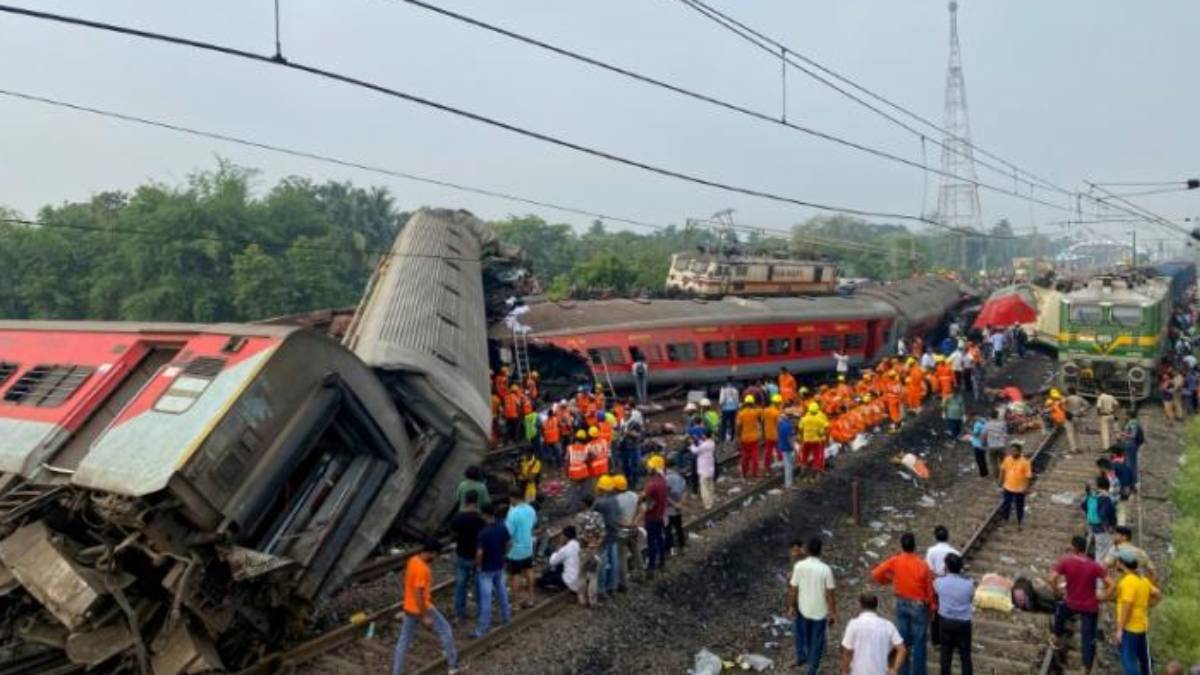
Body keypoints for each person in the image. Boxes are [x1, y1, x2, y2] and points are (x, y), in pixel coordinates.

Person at [391, 539, 463, 675]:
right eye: (436, 555)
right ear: (432, 553)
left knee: (404, 641)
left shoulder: (412, 560)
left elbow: (410, 586)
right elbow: (418, 592)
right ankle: (453, 666)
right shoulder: (423, 569)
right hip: (423, 607)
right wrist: (424, 616)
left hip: (408, 607)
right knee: (446, 630)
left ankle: (396, 672)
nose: (436, 558)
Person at [871, 532, 935, 675]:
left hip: (901, 603)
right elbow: (929, 591)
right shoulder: (922, 565)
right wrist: (931, 608)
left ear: (902, 546)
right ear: (914, 546)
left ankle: (903, 671)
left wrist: (887, 581)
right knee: (919, 643)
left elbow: (876, 574)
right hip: (918, 606)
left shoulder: (896, 560)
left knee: (902, 642)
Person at [1049, 535, 1110, 675]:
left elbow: (1051, 578)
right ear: (1084, 548)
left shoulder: (1066, 562)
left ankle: (1056, 637)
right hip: (1090, 606)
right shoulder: (1094, 565)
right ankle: (1086, 668)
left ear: (1074, 547)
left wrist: (1057, 591)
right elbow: (1111, 584)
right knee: (1088, 637)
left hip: (1071, 602)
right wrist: (1104, 596)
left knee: (1060, 612)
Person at [787, 536, 837, 675]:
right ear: (821, 551)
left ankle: (805, 659)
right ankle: (812, 669)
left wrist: (791, 606)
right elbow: (830, 594)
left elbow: (793, 589)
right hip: (820, 612)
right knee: (817, 641)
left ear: (807, 550)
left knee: (805, 636)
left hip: (803, 609)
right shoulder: (826, 569)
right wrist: (832, 613)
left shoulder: (799, 566)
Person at [1106, 553, 1161, 675]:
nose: (1116, 564)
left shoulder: (1127, 582)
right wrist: (1147, 605)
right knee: (1144, 658)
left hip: (1130, 628)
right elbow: (1158, 593)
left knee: (1128, 660)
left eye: (1118, 562)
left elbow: (1127, 606)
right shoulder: (1143, 580)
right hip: (1142, 625)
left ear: (1122, 564)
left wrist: (1120, 629)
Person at [840, 594, 906, 675]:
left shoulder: (853, 624)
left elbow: (847, 651)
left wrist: (844, 671)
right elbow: (902, 650)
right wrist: (894, 669)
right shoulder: (888, 625)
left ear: (860, 605)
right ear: (876, 606)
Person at [473, 503, 512, 638]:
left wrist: (478, 565)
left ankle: (482, 628)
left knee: (486, 599)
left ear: (484, 515)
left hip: (486, 569)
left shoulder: (483, 533)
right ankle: (507, 618)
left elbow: (479, 553)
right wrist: (503, 555)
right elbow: (509, 543)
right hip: (499, 566)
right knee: (502, 593)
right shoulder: (502, 528)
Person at [449, 491, 486, 623]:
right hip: (477, 556)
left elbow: (452, 532)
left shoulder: (458, 517)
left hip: (462, 555)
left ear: (465, 501)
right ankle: (481, 613)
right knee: (479, 586)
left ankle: (460, 614)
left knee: (460, 585)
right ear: (477, 502)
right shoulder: (481, 519)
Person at [934, 554, 974, 675]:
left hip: (945, 622)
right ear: (961, 567)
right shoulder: (969, 584)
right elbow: (971, 598)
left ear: (946, 566)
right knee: (965, 655)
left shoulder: (939, 582)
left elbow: (936, 591)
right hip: (963, 623)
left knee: (946, 655)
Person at [505, 488, 538, 609]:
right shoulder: (531, 509)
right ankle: (531, 599)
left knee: (515, 575)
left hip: (515, 550)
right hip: (528, 547)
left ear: (513, 498)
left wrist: (505, 551)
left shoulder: (512, 513)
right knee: (529, 571)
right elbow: (533, 524)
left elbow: (508, 534)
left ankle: (516, 603)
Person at [592, 475, 622, 598]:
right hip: (614, 534)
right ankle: (613, 587)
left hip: (603, 536)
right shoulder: (615, 499)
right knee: (614, 561)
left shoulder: (599, 502)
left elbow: (592, 517)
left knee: (602, 563)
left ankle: (601, 589)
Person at [613, 474, 642, 587]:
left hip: (621, 531)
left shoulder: (615, 500)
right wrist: (634, 522)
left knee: (621, 557)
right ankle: (641, 575)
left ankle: (624, 583)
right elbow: (641, 509)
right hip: (634, 528)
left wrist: (624, 524)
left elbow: (614, 519)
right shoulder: (633, 495)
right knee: (636, 551)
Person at [642, 454, 669, 575]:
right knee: (660, 538)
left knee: (651, 542)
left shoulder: (652, 484)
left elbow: (646, 500)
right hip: (660, 515)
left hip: (651, 517)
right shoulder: (662, 480)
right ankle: (662, 562)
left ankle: (651, 567)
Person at [538, 526, 581, 599]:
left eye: (562, 535)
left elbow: (552, 562)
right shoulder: (577, 544)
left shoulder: (565, 549)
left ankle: (555, 586)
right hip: (577, 577)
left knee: (542, 579)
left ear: (565, 536)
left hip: (568, 580)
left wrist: (558, 548)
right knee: (559, 566)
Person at [998, 442, 1033, 528]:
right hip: (1008, 487)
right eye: (1011, 451)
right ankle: (1005, 519)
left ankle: (1019, 521)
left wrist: (1026, 488)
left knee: (1019, 506)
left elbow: (1028, 476)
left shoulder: (1025, 462)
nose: (1013, 453)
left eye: (1015, 451)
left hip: (1020, 489)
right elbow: (1003, 470)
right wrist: (1001, 480)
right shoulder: (1007, 459)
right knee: (1006, 504)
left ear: (1020, 451)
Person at [1083, 477, 1117, 562]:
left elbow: (1083, 506)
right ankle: (1099, 571)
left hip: (1093, 525)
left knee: (1095, 547)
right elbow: (1103, 514)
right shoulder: (1105, 498)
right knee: (1103, 551)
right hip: (1103, 527)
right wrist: (1107, 526)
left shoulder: (1091, 495)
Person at [736, 395, 764, 479]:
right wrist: (754, 406)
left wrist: (738, 437)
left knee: (745, 457)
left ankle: (744, 473)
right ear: (752, 403)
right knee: (754, 457)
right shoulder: (755, 412)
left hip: (744, 438)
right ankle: (754, 473)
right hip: (754, 438)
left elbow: (738, 426)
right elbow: (761, 410)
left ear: (745, 403)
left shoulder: (741, 414)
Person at [664, 457, 688, 556]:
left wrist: (673, 504)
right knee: (679, 528)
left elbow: (665, 495)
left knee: (667, 530)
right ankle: (682, 547)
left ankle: (670, 549)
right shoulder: (679, 477)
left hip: (668, 509)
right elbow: (684, 491)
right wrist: (680, 504)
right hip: (678, 509)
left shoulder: (665, 478)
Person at [689, 428, 717, 509]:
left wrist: (691, 444)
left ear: (704, 435)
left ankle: (707, 505)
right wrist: (697, 440)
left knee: (704, 488)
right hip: (711, 469)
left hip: (703, 470)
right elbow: (703, 445)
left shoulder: (704, 445)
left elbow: (695, 450)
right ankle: (711, 501)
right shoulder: (712, 443)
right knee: (710, 486)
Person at [800, 402, 830, 474]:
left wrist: (802, 438)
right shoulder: (819, 418)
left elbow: (800, 429)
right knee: (817, 456)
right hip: (816, 440)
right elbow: (827, 427)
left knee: (804, 455)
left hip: (806, 440)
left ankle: (803, 470)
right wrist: (823, 434)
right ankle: (816, 471)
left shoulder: (804, 418)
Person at [983, 410, 1008, 479]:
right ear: (997, 415)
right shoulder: (1003, 423)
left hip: (992, 446)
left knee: (994, 462)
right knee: (1003, 461)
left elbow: (984, 435)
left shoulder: (987, 424)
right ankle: (1004, 475)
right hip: (1001, 446)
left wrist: (984, 443)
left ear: (990, 416)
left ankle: (996, 476)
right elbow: (1005, 434)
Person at [1064, 388, 1088, 453]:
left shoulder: (1067, 398)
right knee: (1077, 433)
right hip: (1077, 417)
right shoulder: (1079, 398)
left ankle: (1073, 449)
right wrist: (1081, 410)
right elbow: (1087, 404)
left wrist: (1066, 410)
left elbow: (1062, 405)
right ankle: (1079, 447)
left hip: (1069, 418)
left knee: (1070, 434)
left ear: (1069, 392)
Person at [778, 409, 798, 489]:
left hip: (783, 446)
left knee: (787, 466)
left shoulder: (781, 424)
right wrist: (794, 448)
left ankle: (788, 483)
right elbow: (789, 439)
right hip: (788, 448)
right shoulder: (788, 426)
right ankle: (789, 485)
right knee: (789, 467)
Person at [718, 377, 740, 443]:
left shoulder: (723, 389)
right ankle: (732, 438)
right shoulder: (735, 390)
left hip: (725, 409)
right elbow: (737, 400)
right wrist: (737, 407)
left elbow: (722, 399)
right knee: (732, 423)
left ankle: (722, 438)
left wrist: (720, 405)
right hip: (733, 408)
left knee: (724, 424)